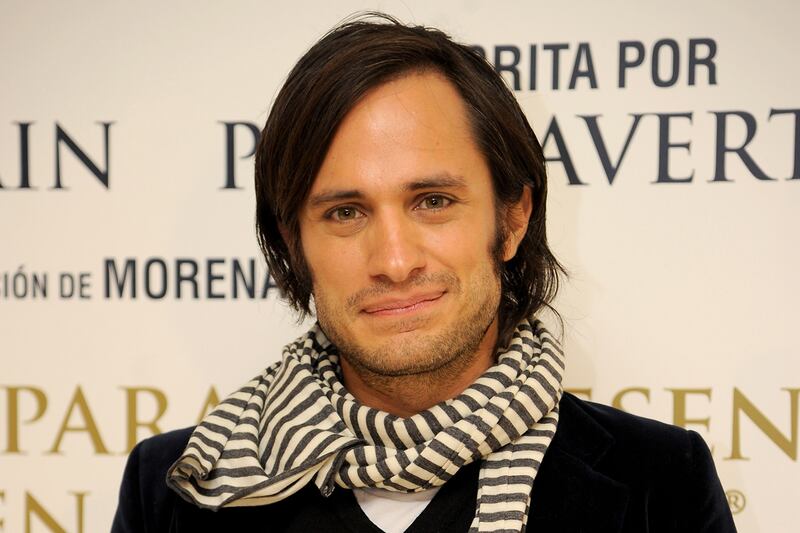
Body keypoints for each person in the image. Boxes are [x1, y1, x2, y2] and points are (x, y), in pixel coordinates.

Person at [112, 13, 737, 533]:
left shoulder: (660, 481)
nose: (394, 261)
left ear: (512, 219)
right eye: (345, 212)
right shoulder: (177, 486)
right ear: (292, 244)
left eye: (433, 202)